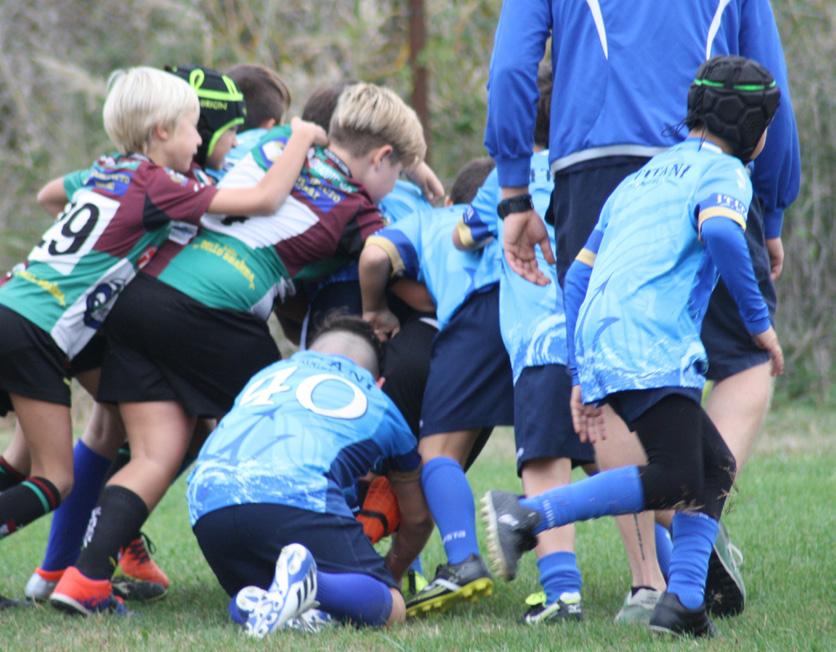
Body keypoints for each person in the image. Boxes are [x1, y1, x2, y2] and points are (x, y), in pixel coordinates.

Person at [49, 82, 424, 616]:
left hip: (144, 292)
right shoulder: (360, 208)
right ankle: (319, 562)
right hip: (215, 312)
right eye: (400, 174)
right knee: (277, 437)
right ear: (383, 157)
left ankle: (83, 580)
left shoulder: (267, 144)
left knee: (157, 454)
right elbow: (388, 265)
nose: (395, 187)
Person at [484, 0, 800, 620]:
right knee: (735, 381)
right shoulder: (729, 174)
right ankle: (672, 519)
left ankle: (658, 587)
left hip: (590, 168)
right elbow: (770, 82)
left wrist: (515, 187)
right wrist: (775, 207)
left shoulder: (632, 192)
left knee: (692, 452)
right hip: (703, 167)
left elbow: (512, 69)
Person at [21, 64, 249, 605]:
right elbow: (258, 201)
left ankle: (78, 561)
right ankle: (79, 564)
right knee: (85, 455)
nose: (233, 144)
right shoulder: (163, 182)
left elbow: (54, 193)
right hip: (78, 321)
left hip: (56, 313)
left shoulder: (118, 168)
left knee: (107, 432)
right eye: (230, 132)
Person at [187, 314, 433, 636]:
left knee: (267, 592)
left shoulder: (264, 377)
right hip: (292, 493)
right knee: (392, 607)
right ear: (379, 381)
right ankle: (314, 584)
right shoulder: (382, 405)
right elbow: (417, 519)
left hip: (207, 504)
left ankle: (253, 600)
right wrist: (390, 573)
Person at [452, 74, 595, 623]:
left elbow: (463, 234)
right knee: (626, 470)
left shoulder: (509, 184)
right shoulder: (591, 176)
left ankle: (562, 595)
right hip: (598, 349)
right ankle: (686, 564)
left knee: (544, 467)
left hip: (541, 351)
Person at [360, 159, 511, 617]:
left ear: (452, 200)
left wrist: (375, 310)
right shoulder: (521, 219)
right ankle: (673, 560)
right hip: (526, 336)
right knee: (586, 457)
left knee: (413, 463)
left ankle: (403, 567)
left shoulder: (432, 219)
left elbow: (373, 256)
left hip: (448, 342)